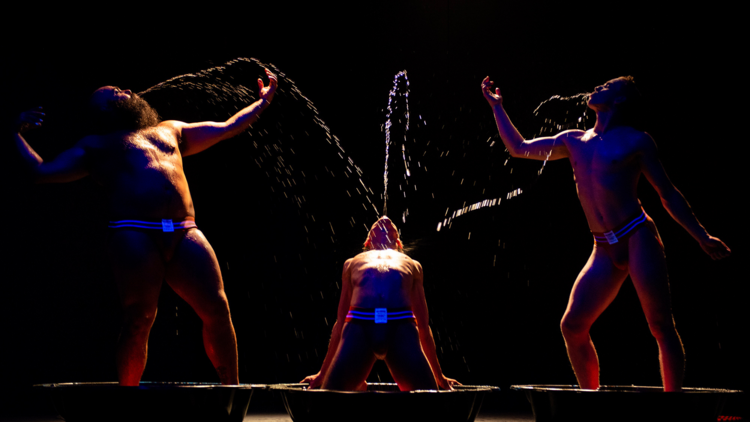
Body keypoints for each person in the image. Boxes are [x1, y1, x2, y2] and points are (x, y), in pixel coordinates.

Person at [11, 69, 278, 386]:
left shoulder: (170, 129)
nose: (123, 89)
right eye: (113, 92)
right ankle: (128, 402)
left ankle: (231, 393)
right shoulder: (96, 145)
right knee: (139, 318)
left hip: (184, 230)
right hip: (135, 232)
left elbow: (228, 127)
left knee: (218, 309)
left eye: (121, 86)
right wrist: (10, 132)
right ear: (104, 111)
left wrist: (261, 103)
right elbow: (42, 171)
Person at [481, 75, 730, 392]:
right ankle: (590, 400)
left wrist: (702, 236)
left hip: (636, 235)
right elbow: (519, 148)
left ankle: (674, 406)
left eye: (607, 87)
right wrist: (498, 107)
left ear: (621, 100)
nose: (597, 88)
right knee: (572, 326)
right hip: (602, 247)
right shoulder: (573, 140)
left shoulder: (636, 141)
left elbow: (667, 193)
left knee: (660, 325)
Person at [301, 216, 459, 391]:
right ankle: (357, 385)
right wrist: (322, 374)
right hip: (359, 327)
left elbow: (423, 325)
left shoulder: (413, 265)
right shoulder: (352, 262)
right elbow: (340, 322)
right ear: (368, 240)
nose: (384, 219)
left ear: (398, 241)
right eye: (375, 224)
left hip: (400, 328)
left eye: (391, 224)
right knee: (329, 397)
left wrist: (439, 376)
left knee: (429, 398)